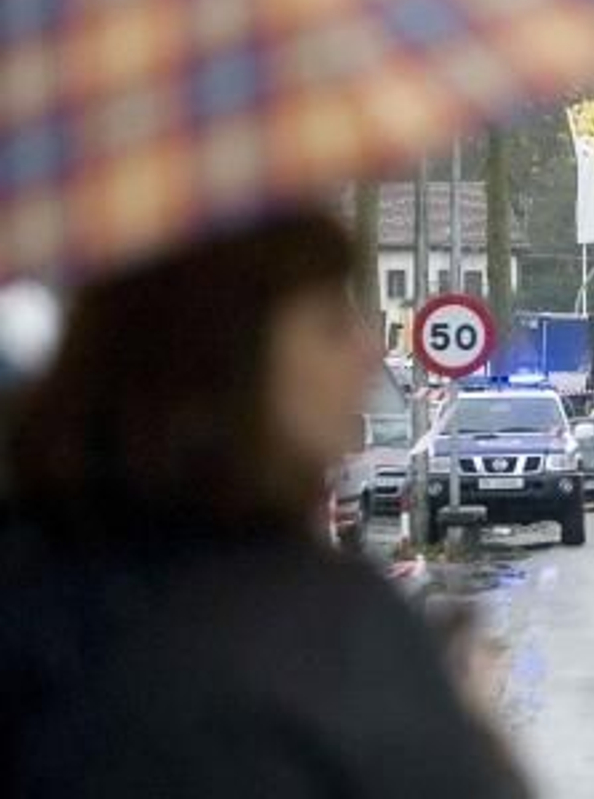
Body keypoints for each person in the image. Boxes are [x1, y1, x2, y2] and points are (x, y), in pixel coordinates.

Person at [0, 212, 532, 799]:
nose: (368, 349)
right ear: (226, 354)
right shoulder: (330, 629)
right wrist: (467, 721)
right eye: (332, 325)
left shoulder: (32, 582)